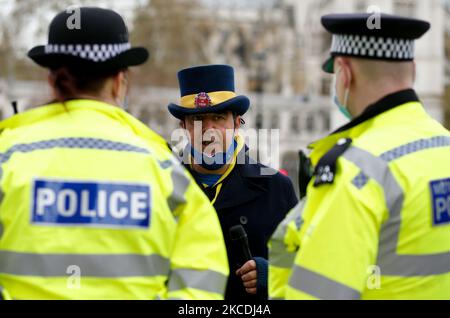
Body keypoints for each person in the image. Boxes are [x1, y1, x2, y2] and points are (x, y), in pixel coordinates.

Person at [0, 7, 228, 300]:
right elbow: (202, 281)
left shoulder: (8, 156)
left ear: (52, 79)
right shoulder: (164, 171)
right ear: (120, 80)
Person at [269, 13, 450, 300]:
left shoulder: (357, 169)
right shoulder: (443, 145)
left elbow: (320, 292)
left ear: (345, 73)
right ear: (412, 70)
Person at [167, 64, 298, 300]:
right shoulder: (163, 186)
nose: (209, 130)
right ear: (184, 127)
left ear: (237, 123)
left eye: (218, 117)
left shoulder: (276, 188)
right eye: (198, 119)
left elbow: (305, 267)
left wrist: (271, 274)